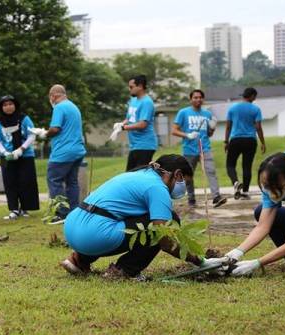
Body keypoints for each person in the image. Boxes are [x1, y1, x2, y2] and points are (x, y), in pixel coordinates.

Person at [60, 154, 226, 280]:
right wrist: (201, 261)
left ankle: (79, 261)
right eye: (186, 182)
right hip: (94, 234)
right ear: (178, 175)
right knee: (169, 222)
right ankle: (123, 270)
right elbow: (164, 239)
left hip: (73, 227)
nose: (184, 187)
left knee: (122, 221)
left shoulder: (137, 175)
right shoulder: (157, 187)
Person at [171, 89, 226, 208]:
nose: (198, 99)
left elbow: (209, 134)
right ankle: (191, 198)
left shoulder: (207, 114)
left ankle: (216, 196)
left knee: (211, 171)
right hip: (189, 149)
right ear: (191, 99)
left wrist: (212, 128)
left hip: (205, 147)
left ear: (203, 99)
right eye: (195, 97)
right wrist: (187, 135)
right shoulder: (183, 112)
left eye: (200, 97)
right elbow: (174, 130)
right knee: (189, 174)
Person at [42, 84, 87, 224]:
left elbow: (55, 128)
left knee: (54, 180)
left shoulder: (59, 107)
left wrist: (45, 134)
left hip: (63, 152)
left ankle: (61, 213)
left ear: (54, 96)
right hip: (77, 150)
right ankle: (73, 212)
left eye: (50, 97)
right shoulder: (73, 107)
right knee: (72, 182)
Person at [0, 95, 40, 220]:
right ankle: (14, 209)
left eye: (10, 104)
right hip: (7, 157)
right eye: (5, 105)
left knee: (26, 182)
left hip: (25, 156)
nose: (8, 107)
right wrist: (4, 152)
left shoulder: (24, 119)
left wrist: (21, 149)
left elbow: (32, 135)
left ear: (15, 105)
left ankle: (25, 208)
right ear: (1, 108)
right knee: (10, 182)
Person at [224, 87, 266, 200]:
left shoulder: (232, 108)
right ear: (252, 96)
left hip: (235, 140)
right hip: (250, 140)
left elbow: (228, 126)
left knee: (230, 165)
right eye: (255, 96)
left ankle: (235, 182)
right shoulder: (256, 109)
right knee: (247, 166)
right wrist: (262, 142)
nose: (255, 99)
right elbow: (258, 127)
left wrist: (226, 141)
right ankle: (246, 192)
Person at [110, 75, 157, 171]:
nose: (129, 89)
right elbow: (129, 118)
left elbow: (143, 124)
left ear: (140, 86)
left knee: (137, 176)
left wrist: (123, 128)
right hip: (135, 145)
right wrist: (121, 125)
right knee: (130, 175)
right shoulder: (133, 100)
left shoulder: (147, 102)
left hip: (145, 145)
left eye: (131, 87)